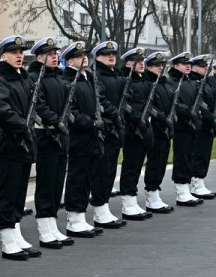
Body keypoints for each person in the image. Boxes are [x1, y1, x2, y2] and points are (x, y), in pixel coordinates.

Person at [0, 35, 39, 259]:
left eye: (21, 53)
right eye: (14, 53)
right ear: (3, 55)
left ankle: (16, 233)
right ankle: (7, 239)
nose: (20, 56)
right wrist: (21, 125)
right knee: (9, 191)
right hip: (10, 140)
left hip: (24, 140)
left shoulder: (24, 78)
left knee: (19, 191)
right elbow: (0, 109)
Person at [27, 37, 71, 248]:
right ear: (39, 57)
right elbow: (39, 106)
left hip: (61, 136)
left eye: (56, 54)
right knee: (46, 184)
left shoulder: (59, 78)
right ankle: (44, 229)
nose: (55, 57)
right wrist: (54, 122)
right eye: (50, 54)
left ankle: (53, 225)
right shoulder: (35, 78)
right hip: (46, 135)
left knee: (56, 183)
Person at [61, 42, 105, 238]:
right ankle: (73, 218)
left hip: (91, 136)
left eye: (85, 55)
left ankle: (81, 217)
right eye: (79, 56)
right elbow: (70, 112)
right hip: (79, 136)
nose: (84, 58)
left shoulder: (88, 79)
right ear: (70, 60)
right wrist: (89, 123)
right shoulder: (68, 81)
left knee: (87, 177)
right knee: (77, 178)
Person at [88, 41, 125, 229]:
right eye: (106, 54)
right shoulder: (96, 76)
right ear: (97, 57)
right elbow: (100, 100)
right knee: (101, 171)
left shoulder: (116, 75)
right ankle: (99, 209)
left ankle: (104, 206)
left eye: (113, 54)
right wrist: (115, 114)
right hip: (104, 128)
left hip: (115, 128)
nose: (111, 56)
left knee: (110, 169)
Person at [116, 48, 152, 221]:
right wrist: (137, 118)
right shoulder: (126, 80)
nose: (142, 63)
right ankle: (127, 202)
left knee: (138, 166)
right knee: (130, 165)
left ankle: (132, 199)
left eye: (142, 61)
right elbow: (125, 104)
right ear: (129, 63)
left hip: (143, 128)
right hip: (132, 128)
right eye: (138, 61)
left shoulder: (144, 81)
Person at [166, 52, 203, 207]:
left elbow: (198, 99)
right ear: (175, 66)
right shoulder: (172, 81)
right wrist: (187, 112)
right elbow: (173, 102)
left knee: (190, 155)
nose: (188, 66)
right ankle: (181, 189)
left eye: (189, 64)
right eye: (183, 64)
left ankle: (186, 187)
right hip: (181, 124)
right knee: (181, 156)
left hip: (192, 124)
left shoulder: (190, 81)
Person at [142, 52, 176, 214]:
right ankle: (151, 195)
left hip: (165, 128)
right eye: (157, 65)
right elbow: (147, 105)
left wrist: (171, 117)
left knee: (162, 161)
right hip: (153, 127)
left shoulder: (166, 83)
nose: (160, 68)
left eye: (162, 65)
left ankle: (155, 193)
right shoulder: (147, 82)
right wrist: (161, 117)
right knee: (154, 161)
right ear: (149, 67)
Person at [188, 54, 216, 200]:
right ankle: (195, 183)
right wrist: (210, 118)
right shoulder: (193, 82)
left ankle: (200, 181)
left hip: (207, 123)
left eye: (206, 66)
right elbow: (200, 105)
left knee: (205, 153)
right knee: (198, 154)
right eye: (202, 66)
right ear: (193, 67)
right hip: (200, 123)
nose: (205, 68)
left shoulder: (204, 82)